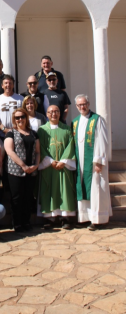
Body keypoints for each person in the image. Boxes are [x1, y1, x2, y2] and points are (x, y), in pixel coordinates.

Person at [72, 94, 112, 230]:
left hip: (94, 162)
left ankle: (97, 219)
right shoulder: (75, 122)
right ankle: (85, 217)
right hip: (81, 163)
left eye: (84, 104)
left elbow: (103, 140)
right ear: (76, 106)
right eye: (79, 105)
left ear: (89, 104)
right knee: (82, 188)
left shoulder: (97, 120)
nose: (82, 107)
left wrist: (99, 160)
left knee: (96, 189)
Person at [38, 105, 76, 229]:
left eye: (56, 111)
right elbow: (41, 148)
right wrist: (50, 161)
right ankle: (51, 218)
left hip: (63, 166)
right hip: (49, 166)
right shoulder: (42, 130)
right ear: (47, 114)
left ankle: (66, 217)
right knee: (50, 190)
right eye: (51, 112)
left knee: (64, 190)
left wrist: (64, 161)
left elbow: (71, 145)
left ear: (60, 113)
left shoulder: (66, 129)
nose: (54, 114)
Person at [4, 107, 40, 232]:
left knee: (28, 197)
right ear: (14, 120)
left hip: (31, 170)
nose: (20, 119)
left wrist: (36, 165)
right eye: (17, 117)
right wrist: (23, 166)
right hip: (16, 171)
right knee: (17, 198)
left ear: (26, 118)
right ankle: (17, 223)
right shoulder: (11, 133)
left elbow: (37, 151)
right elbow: (9, 151)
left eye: (22, 117)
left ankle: (26, 221)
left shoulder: (33, 133)